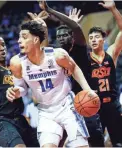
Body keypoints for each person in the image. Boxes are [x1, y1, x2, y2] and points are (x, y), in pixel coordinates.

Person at [6, 19, 99, 147]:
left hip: (67, 105)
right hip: (45, 111)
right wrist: (16, 92)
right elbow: (21, 88)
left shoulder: (57, 55)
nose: (19, 41)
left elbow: (75, 68)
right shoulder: (16, 63)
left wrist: (87, 90)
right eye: (19, 37)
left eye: (24, 37)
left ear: (35, 40)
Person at [38, 1, 104, 147]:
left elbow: (76, 28)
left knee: (95, 141)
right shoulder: (55, 54)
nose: (61, 38)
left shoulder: (79, 49)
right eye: (59, 36)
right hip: (64, 106)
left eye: (65, 35)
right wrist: (40, 26)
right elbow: (41, 46)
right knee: (58, 142)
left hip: (84, 100)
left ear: (73, 38)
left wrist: (50, 10)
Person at [87, 0, 122, 146]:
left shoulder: (111, 53)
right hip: (95, 107)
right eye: (91, 38)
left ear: (103, 39)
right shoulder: (85, 60)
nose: (93, 40)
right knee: (96, 145)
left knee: (119, 143)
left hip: (113, 105)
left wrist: (113, 9)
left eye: (96, 37)